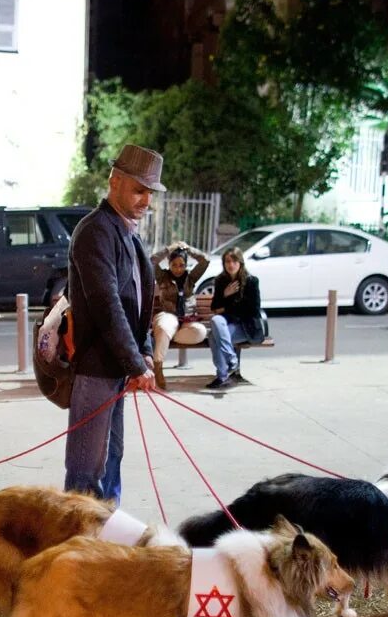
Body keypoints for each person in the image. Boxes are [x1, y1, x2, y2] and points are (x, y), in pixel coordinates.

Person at [63, 144, 162, 502]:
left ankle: (106, 536)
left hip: (116, 368)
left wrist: (145, 354)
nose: (146, 200)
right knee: (86, 470)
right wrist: (135, 363)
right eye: (139, 190)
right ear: (114, 182)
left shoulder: (127, 232)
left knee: (112, 459)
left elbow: (139, 303)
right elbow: (107, 306)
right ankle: (76, 546)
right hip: (95, 370)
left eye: (150, 192)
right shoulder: (95, 231)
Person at [149, 241, 209, 390]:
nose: (178, 269)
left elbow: (205, 260)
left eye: (181, 265)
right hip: (168, 315)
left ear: (186, 265)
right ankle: (158, 369)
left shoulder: (191, 278)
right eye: (174, 265)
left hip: (187, 319)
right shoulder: (163, 277)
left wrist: (189, 249)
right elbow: (151, 261)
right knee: (163, 326)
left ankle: (168, 336)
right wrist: (168, 250)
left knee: (200, 331)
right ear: (169, 264)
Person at [206, 247, 263, 390]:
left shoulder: (251, 282)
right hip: (227, 325)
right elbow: (214, 307)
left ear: (240, 263)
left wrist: (226, 306)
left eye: (234, 261)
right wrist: (225, 294)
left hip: (246, 327)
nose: (231, 265)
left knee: (213, 336)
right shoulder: (221, 281)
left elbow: (252, 310)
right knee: (215, 321)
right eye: (227, 261)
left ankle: (222, 376)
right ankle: (231, 359)